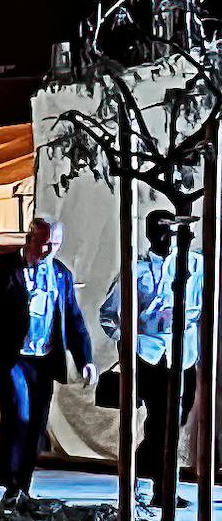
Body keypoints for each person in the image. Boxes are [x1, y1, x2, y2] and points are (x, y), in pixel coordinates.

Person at [0, 215, 92, 496]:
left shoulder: (61, 274)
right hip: (10, 357)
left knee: (37, 424)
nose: (49, 251)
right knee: (19, 414)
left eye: (55, 245)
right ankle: (10, 478)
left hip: (44, 358)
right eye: (44, 243)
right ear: (31, 238)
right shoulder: (0, 270)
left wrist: (85, 359)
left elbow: (73, 319)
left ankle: (21, 485)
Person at [99, 207, 204, 497]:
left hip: (184, 354)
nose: (166, 237)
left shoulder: (195, 265)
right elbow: (109, 314)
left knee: (177, 420)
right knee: (160, 420)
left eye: (169, 230)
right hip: (149, 354)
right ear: (148, 235)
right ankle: (162, 488)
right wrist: (127, 342)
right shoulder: (135, 269)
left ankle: (137, 467)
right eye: (159, 231)